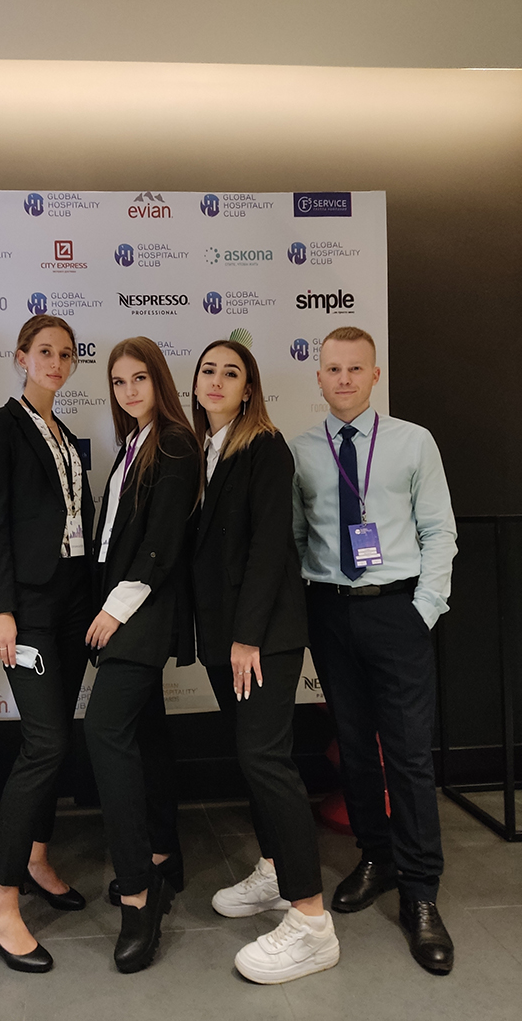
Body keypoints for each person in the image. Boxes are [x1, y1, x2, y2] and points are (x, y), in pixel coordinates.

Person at [290, 326, 457, 974]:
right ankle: (377, 857)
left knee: (409, 756)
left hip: (397, 611)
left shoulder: (414, 442)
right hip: (331, 613)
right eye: (333, 369)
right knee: (356, 749)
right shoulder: (303, 450)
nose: (344, 379)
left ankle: (420, 893)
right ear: (319, 376)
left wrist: (423, 612)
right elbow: (297, 537)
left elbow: (438, 530)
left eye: (355, 368)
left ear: (375, 374)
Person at [191, 339, 339, 984]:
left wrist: (247, 636)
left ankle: (311, 923)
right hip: (225, 637)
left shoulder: (265, 447)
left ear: (249, 388)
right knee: (254, 758)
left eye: (232, 373)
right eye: (208, 370)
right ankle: (277, 873)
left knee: (267, 761)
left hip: (261, 638)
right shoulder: (205, 449)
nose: (217, 380)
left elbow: (269, 546)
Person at [0, 315, 94, 974]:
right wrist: (0, 609)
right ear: (21, 357)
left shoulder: (67, 435)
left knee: (59, 738)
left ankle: (38, 857)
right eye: (44, 351)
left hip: (73, 602)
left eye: (66, 354)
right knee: (44, 743)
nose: (56, 362)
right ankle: (0, 899)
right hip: (28, 609)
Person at [83, 337, 201, 973]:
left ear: (160, 381)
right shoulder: (133, 444)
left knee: (105, 732)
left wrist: (114, 609)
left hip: (141, 611)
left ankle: (138, 895)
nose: (129, 391)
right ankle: (162, 857)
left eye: (139, 379)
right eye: (118, 381)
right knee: (146, 733)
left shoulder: (176, 442)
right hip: (123, 607)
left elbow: (161, 544)